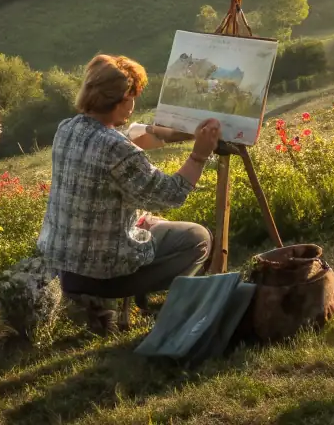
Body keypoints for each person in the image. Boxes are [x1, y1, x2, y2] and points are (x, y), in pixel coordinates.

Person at [37, 54, 222, 331]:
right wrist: (199, 155)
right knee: (198, 238)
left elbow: (125, 135)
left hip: (66, 265)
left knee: (151, 222)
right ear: (122, 99)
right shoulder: (116, 149)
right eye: (132, 97)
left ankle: (100, 309)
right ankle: (172, 313)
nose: (134, 104)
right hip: (105, 274)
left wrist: (175, 133)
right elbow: (171, 194)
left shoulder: (67, 129)